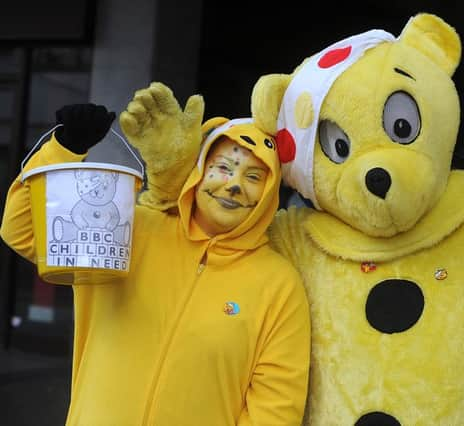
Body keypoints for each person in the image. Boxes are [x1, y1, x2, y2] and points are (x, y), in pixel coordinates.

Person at [0, 102, 311, 426]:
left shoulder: (279, 285)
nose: (234, 185)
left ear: (270, 192)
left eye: (253, 176)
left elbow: (276, 409)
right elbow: (21, 230)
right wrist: (64, 150)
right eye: (223, 167)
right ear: (200, 170)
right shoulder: (130, 228)